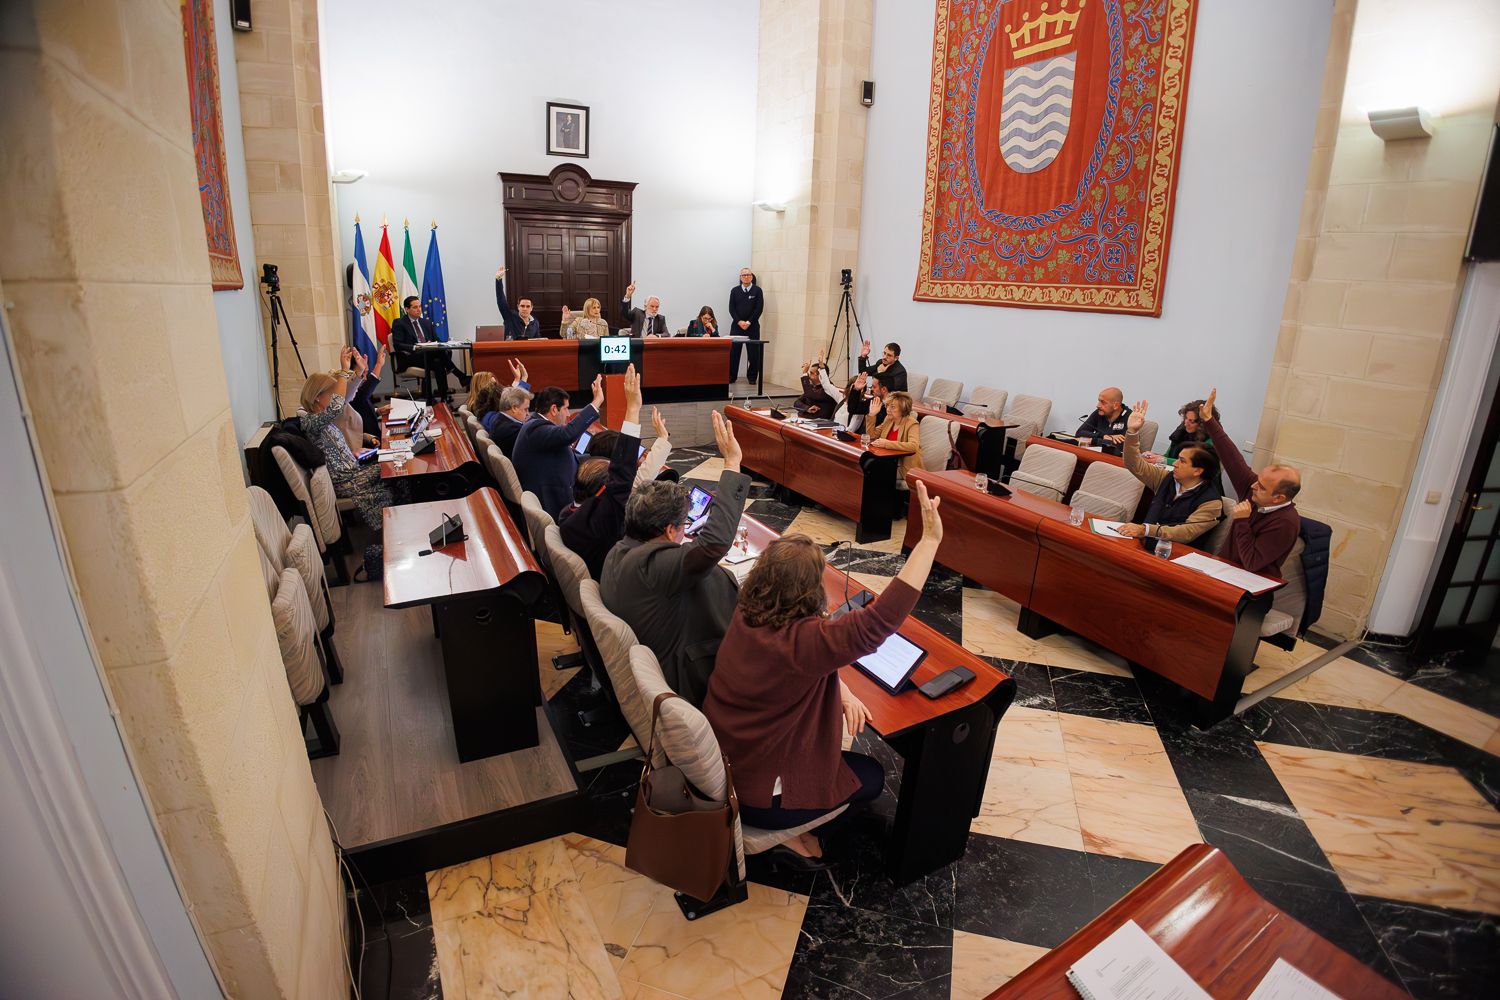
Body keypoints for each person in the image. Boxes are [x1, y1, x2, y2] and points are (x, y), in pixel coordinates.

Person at [704, 479, 946, 867]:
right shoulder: (804, 641)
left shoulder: (747, 611)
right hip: (757, 797)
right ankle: (797, 836)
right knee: (871, 778)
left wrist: (843, 690)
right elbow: (880, 620)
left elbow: (802, 668)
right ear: (812, 591)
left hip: (723, 765)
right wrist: (929, 542)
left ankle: (795, 828)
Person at [601, 411, 751, 707]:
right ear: (670, 530)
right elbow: (713, 546)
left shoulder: (619, 551)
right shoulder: (651, 565)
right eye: (684, 527)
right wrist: (732, 463)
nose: (685, 534)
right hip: (685, 681)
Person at [560, 365, 673, 579]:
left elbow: (620, 477)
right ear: (603, 492)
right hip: (614, 580)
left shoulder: (566, 515)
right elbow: (622, 475)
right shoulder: (606, 518)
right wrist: (633, 408)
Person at [1199, 389, 1302, 576]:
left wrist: (1242, 521)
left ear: (1278, 498)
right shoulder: (1253, 487)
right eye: (1258, 480)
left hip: (1251, 589)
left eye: (1262, 486)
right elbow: (1232, 458)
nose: (1253, 485)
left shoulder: (1286, 522)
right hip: (1222, 571)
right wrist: (1209, 420)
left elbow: (1252, 563)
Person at [1113, 401, 1224, 543]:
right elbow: (1134, 464)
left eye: (1182, 461)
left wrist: (1145, 530)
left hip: (1175, 558)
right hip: (1144, 546)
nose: (1175, 464)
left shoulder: (1211, 502)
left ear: (1197, 471)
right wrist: (1132, 432)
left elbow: (1185, 532)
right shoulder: (1166, 478)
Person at [298, 365, 392, 531]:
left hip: (352, 472)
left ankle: (395, 523)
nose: (337, 398)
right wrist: (343, 372)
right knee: (393, 470)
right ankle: (392, 528)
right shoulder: (311, 422)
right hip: (345, 480)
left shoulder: (321, 420)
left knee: (394, 468)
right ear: (318, 397)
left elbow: (334, 449)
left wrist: (352, 453)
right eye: (332, 394)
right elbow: (337, 407)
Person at [513, 377, 605, 518]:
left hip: (562, 483)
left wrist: (596, 460)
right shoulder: (535, 428)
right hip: (555, 497)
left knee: (604, 462)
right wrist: (596, 401)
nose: (568, 414)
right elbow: (568, 434)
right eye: (566, 408)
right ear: (554, 409)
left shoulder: (536, 424)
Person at [391, 296, 468, 395]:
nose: (419, 309)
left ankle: (442, 398)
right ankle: (460, 375)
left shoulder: (426, 323)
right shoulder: (399, 323)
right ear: (407, 309)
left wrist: (437, 344)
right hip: (410, 356)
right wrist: (417, 346)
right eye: (415, 307)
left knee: (438, 363)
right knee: (436, 356)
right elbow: (398, 345)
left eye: (420, 306)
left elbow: (437, 340)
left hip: (428, 356)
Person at [1143, 399, 1220, 465]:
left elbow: (1193, 465)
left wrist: (1163, 460)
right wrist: (1153, 456)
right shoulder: (1181, 431)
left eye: (1192, 421)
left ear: (1203, 424)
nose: (1186, 423)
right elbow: (1167, 456)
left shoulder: (1212, 441)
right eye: (1186, 418)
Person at [871, 391, 921, 486]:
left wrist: (886, 444)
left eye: (892, 407)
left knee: (875, 472)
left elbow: (914, 446)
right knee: (866, 467)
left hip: (903, 466)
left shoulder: (912, 423)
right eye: (887, 406)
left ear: (903, 409)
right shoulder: (888, 419)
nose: (888, 409)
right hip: (886, 461)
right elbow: (872, 436)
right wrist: (872, 415)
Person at [341, 344, 386, 448]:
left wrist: (377, 411)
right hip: (366, 445)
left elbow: (360, 407)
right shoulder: (347, 389)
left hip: (376, 439)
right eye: (363, 374)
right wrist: (378, 365)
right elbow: (361, 396)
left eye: (366, 373)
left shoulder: (357, 391)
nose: (365, 378)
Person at [728, 267, 764, 382]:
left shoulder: (757, 291)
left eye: (748, 275)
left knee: (754, 354)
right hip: (737, 326)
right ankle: (731, 377)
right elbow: (731, 308)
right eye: (744, 275)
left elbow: (759, 308)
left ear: (752, 277)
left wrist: (748, 322)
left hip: (752, 326)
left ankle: (752, 377)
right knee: (734, 353)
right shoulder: (734, 291)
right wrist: (739, 322)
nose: (746, 277)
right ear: (740, 277)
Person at [1075, 387, 1132, 454]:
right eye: (1099, 401)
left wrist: (1092, 440)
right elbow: (1079, 433)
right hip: (1097, 454)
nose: (1098, 405)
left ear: (1116, 405)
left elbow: (1121, 446)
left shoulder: (1130, 418)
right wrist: (1103, 436)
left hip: (1116, 460)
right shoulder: (1100, 412)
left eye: (1103, 402)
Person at [494, 266, 542, 340]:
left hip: (528, 351)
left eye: (528, 306)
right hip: (511, 350)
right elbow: (501, 300)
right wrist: (498, 280)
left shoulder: (535, 323)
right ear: (518, 307)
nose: (525, 309)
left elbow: (538, 340)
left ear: (531, 308)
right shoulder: (510, 316)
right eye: (522, 306)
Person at [794, 353, 838, 419]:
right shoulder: (812, 387)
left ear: (820, 375)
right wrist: (807, 408)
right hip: (806, 419)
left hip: (820, 422)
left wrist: (804, 374)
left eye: (811, 373)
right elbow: (796, 402)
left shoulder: (829, 388)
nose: (809, 376)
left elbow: (811, 395)